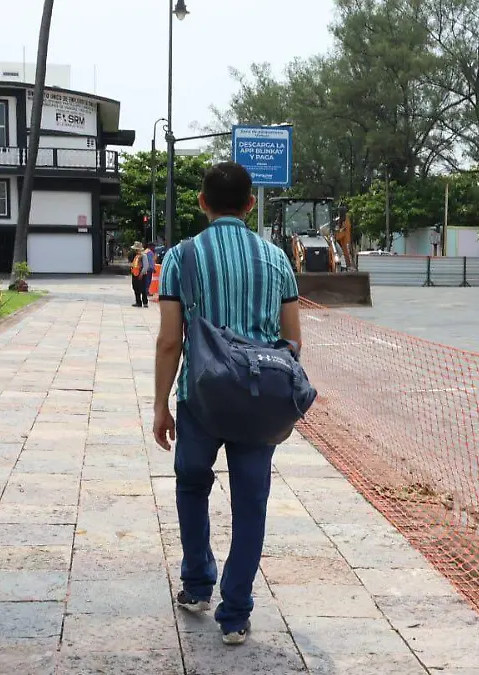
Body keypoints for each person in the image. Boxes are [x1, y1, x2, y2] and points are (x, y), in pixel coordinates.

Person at [152, 162, 301, 646]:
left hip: (201, 398)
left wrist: (161, 406)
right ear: (251, 204)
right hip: (258, 403)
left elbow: (170, 342)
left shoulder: (181, 257)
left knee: (192, 486)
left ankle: (197, 586)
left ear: (202, 202)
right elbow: (292, 342)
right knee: (251, 504)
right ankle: (235, 613)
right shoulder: (277, 258)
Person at [129, 241, 148, 307]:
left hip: (141, 275)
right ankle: (138, 302)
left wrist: (141, 274)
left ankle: (145, 302)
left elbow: (146, 266)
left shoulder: (143, 256)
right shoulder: (136, 256)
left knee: (143, 289)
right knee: (136, 289)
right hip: (135, 274)